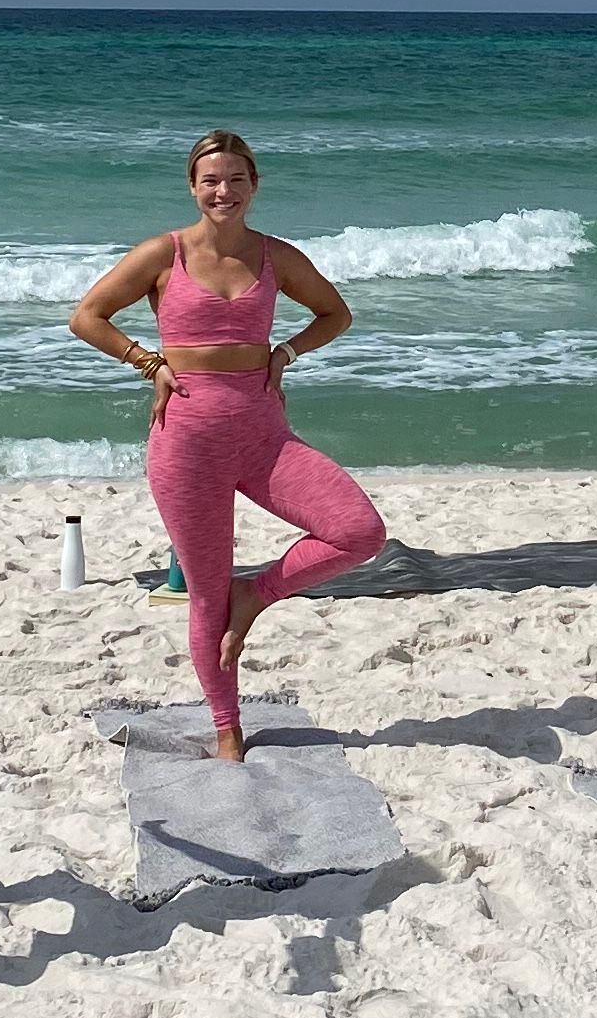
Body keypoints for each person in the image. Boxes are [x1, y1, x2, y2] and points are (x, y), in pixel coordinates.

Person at [68, 133, 385, 757]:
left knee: (359, 531)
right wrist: (148, 363)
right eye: (211, 180)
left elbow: (335, 314)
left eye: (236, 179)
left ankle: (255, 593)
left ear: (254, 186)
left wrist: (286, 352)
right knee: (205, 596)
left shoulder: (275, 256)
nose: (223, 191)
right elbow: (88, 317)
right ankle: (225, 727)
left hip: (264, 437)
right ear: (193, 186)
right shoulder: (164, 253)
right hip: (185, 443)